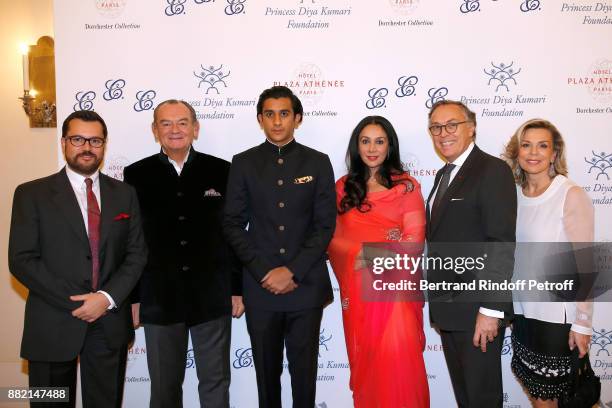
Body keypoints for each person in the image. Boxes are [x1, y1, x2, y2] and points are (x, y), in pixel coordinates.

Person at [8, 110, 147, 408]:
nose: (87, 147)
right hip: (51, 324)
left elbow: (137, 254)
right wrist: (79, 302)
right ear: (64, 143)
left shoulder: (125, 194)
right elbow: (21, 259)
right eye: (78, 139)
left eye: (95, 140)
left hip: (108, 322)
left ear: (104, 144)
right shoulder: (31, 194)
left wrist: (105, 298)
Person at [123, 99, 243, 408]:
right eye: (166, 123)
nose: (174, 130)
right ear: (154, 130)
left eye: (182, 122)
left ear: (195, 127)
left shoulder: (222, 170)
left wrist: (237, 289)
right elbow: (132, 241)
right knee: (164, 387)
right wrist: (134, 297)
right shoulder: (136, 175)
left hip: (212, 295)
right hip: (159, 297)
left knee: (216, 383)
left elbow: (232, 235)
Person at [223, 86, 336, 408]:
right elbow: (232, 223)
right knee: (266, 379)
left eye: (284, 113)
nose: (277, 121)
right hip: (261, 290)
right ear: (260, 119)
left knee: (305, 378)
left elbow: (325, 225)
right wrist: (262, 272)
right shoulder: (243, 163)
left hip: (306, 286)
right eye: (269, 114)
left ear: (297, 118)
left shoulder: (317, 162)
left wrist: (293, 270)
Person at [328, 116, 429, 407]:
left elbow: (413, 242)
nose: (372, 148)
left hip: (396, 296)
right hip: (359, 297)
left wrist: (367, 254)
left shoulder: (407, 187)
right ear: (356, 146)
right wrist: (359, 253)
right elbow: (330, 238)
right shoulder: (343, 188)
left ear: (390, 146)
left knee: (400, 363)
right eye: (365, 140)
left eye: (379, 141)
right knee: (369, 362)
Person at [425, 100, 517, 407]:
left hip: (478, 312)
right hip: (450, 310)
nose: (443, 133)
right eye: (436, 127)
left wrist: (490, 310)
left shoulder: (492, 170)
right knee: (467, 399)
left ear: (471, 127)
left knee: (483, 399)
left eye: (452, 124)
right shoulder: (443, 174)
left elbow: (500, 243)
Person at [503, 119, 594, 407]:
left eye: (543, 146)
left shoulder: (570, 194)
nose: (533, 152)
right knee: (537, 395)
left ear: (554, 153)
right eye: (526, 145)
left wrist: (582, 324)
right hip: (523, 313)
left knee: (554, 400)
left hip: (556, 318)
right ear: (517, 152)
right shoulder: (512, 195)